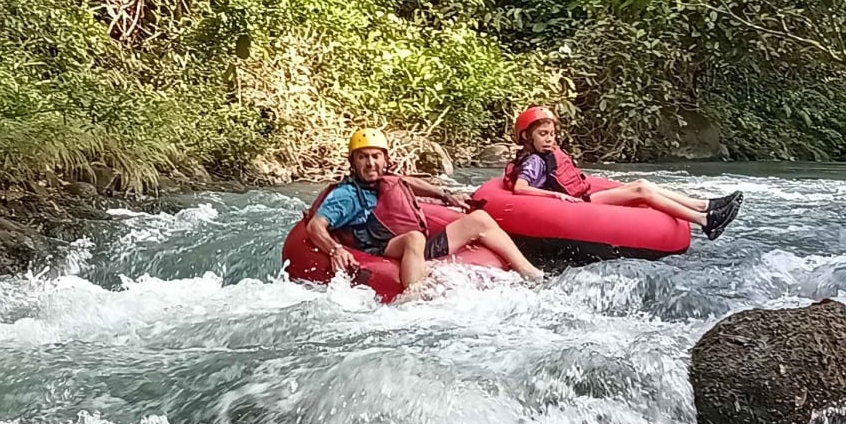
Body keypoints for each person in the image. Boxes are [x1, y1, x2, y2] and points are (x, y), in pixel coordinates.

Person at [307, 127, 544, 289]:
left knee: (480, 219)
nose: (370, 163)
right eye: (363, 157)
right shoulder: (346, 195)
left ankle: (531, 274)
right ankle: (414, 297)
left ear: (385, 159)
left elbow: (409, 182)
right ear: (353, 161)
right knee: (414, 238)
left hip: (415, 248)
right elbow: (316, 225)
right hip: (380, 249)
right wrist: (335, 249)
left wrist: (446, 195)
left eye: (376, 156)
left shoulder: (386, 180)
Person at [504, 106, 743, 239]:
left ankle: (704, 205)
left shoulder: (545, 155)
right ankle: (705, 221)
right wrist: (555, 195)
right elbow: (520, 188)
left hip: (581, 196)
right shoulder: (533, 161)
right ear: (526, 136)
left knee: (642, 183)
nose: (549, 139)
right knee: (641, 191)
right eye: (542, 134)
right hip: (578, 204)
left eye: (551, 134)